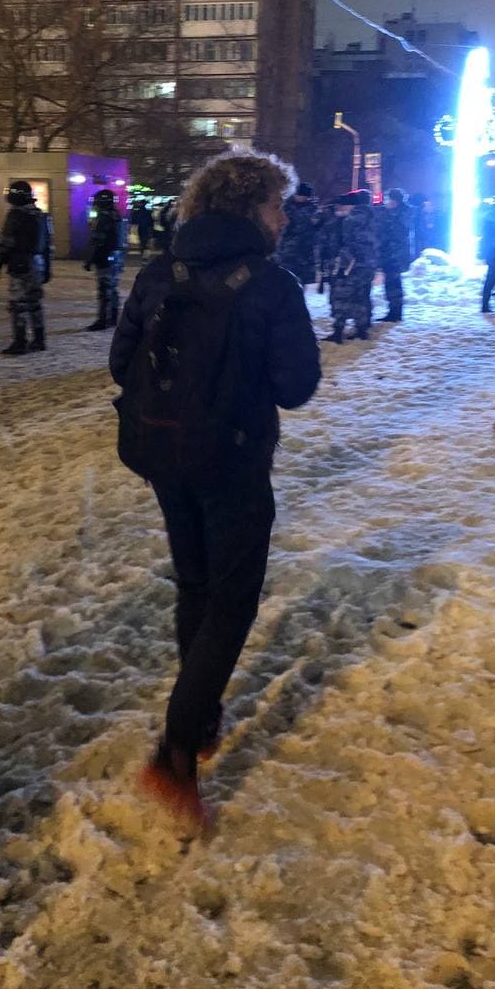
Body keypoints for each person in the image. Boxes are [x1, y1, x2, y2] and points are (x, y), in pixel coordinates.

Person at [109, 148, 320, 827]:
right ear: (248, 208)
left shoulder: (158, 272)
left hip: (162, 455)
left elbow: (120, 362)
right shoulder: (271, 285)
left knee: (196, 585)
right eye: (276, 205)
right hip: (232, 461)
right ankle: (174, 755)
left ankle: (198, 720)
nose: (284, 218)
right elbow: (297, 386)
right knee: (231, 600)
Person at [0, 179, 53, 354]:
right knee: (35, 302)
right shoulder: (41, 215)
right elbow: (48, 245)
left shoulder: (16, 215)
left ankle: (20, 341)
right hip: (38, 264)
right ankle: (39, 339)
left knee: (18, 304)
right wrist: (47, 268)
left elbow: (7, 243)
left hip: (20, 264)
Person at [326, 189, 377, 343]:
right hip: (369, 263)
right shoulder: (371, 216)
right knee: (362, 296)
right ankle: (362, 329)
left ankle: (338, 332)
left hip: (353, 265)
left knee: (341, 297)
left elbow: (348, 245)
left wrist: (341, 267)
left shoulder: (351, 220)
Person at [83, 187, 125, 331]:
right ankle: (113, 317)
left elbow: (97, 241)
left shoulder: (103, 218)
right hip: (117, 256)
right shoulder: (117, 216)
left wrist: (89, 260)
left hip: (104, 257)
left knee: (104, 289)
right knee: (113, 288)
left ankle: (102, 320)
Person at [377, 187, 412, 321]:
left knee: (393, 283)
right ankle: (393, 311)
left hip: (395, 255)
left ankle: (395, 313)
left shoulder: (401, 214)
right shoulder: (396, 213)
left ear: (395, 200)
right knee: (391, 283)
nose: (386, 202)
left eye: (388, 199)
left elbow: (396, 234)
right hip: (391, 254)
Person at [277, 180, 319, 287]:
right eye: (302, 196)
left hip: (305, 252)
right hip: (286, 252)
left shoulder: (312, 208)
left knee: (300, 284)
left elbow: (316, 227)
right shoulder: (285, 206)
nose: (304, 198)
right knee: (284, 281)